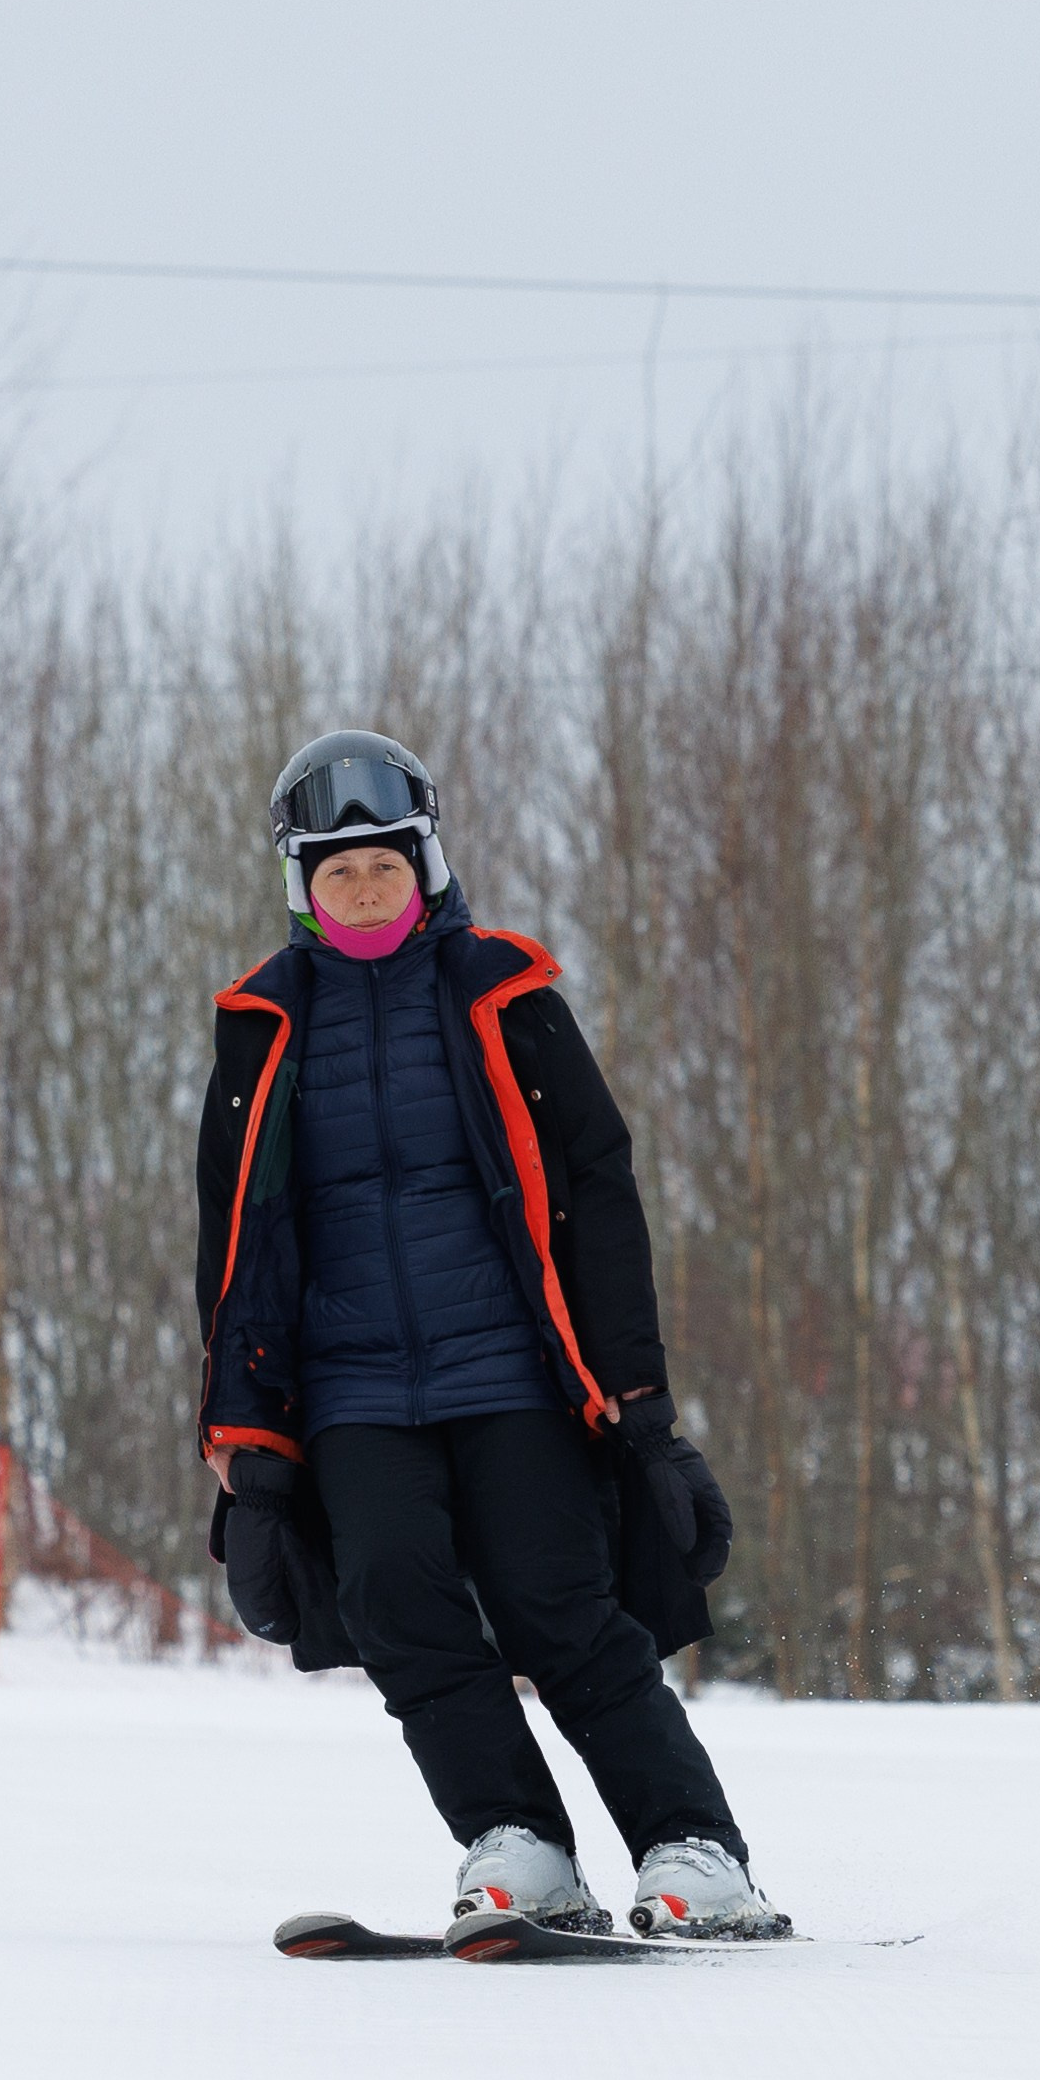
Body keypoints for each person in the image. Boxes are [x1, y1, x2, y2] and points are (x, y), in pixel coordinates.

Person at [195, 729, 784, 1941]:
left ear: (425, 868)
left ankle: (693, 1851)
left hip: (511, 1368)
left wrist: (633, 1392)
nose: (361, 893)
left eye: (382, 869)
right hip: (350, 1386)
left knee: (553, 1603)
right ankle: (514, 1843)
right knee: (394, 1604)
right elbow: (234, 1229)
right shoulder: (260, 1030)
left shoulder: (507, 1001)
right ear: (300, 888)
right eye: (335, 875)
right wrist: (238, 1414)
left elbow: (599, 1193)